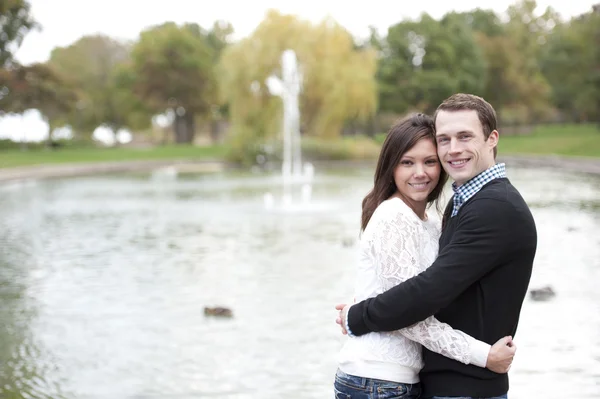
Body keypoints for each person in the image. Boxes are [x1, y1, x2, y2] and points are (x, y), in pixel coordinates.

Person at [336, 94, 537, 399]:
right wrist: (362, 310)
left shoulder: (489, 207)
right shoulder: (455, 203)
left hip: (457, 384)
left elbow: (425, 293)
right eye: (444, 140)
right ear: (392, 167)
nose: (453, 150)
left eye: (464, 136)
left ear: (492, 138)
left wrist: (358, 315)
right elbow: (420, 297)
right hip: (383, 378)